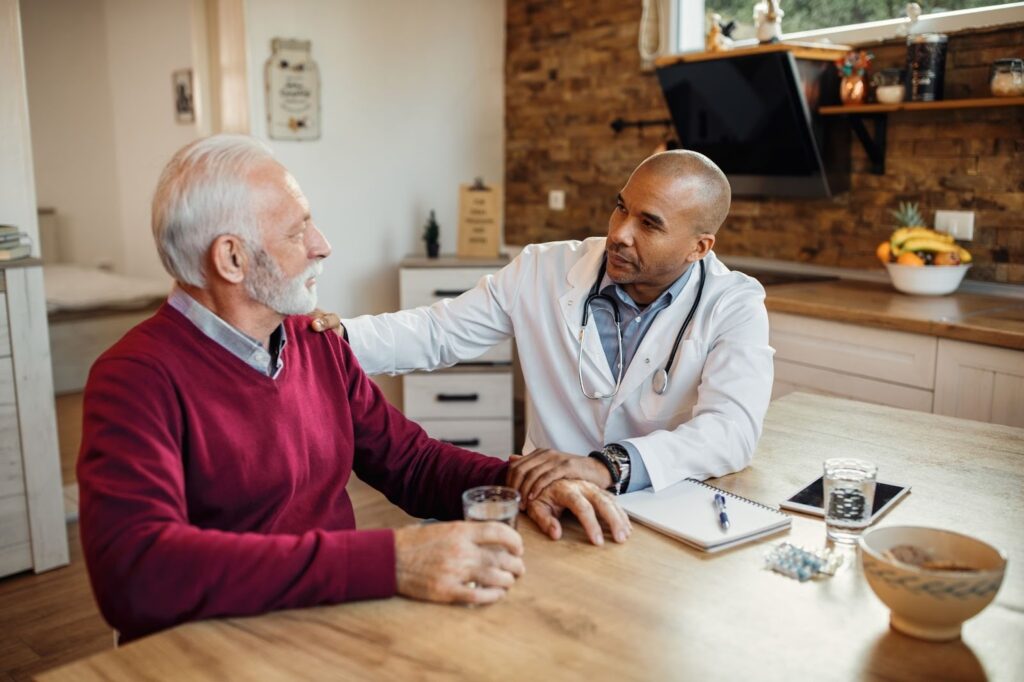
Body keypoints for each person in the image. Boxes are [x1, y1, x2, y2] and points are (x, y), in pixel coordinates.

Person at [77, 135, 630, 643]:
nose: (322, 246)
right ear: (231, 259)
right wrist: (388, 560)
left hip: (330, 619)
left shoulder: (313, 339)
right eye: (297, 232)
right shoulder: (134, 378)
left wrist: (519, 479)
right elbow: (138, 574)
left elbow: (409, 462)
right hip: (215, 645)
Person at [314, 151, 774, 501]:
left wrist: (610, 466)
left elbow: (730, 431)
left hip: (662, 501)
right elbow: (438, 332)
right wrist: (340, 339)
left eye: (649, 224)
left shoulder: (733, 303)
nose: (620, 232)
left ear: (699, 247)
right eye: (621, 208)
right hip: (548, 496)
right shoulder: (543, 268)